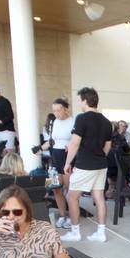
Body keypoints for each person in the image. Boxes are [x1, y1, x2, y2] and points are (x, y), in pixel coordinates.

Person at [61, 87, 112, 243]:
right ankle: (101, 232)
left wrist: (67, 163)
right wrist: (99, 156)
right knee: (99, 197)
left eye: (79, 100)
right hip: (101, 164)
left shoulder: (81, 118)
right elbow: (107, 146)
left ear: (85, 101)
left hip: (85, 164)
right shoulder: (106, 121)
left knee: (71, 197)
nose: (79, 103)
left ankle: (75, 232)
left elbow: (75, 143)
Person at [44, 98, 75, 229]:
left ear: (66, 109)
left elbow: (77, 141)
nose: (56, 113)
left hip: (67, 158)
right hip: (54, 157)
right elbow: (51, 141)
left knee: (69, 190)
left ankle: (72, 217)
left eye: (59, 110)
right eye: (54, 110)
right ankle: (62, 216)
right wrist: (40, 148)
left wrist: (70, 146)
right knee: (54, 187)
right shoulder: (53, 122)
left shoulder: (74, 121)